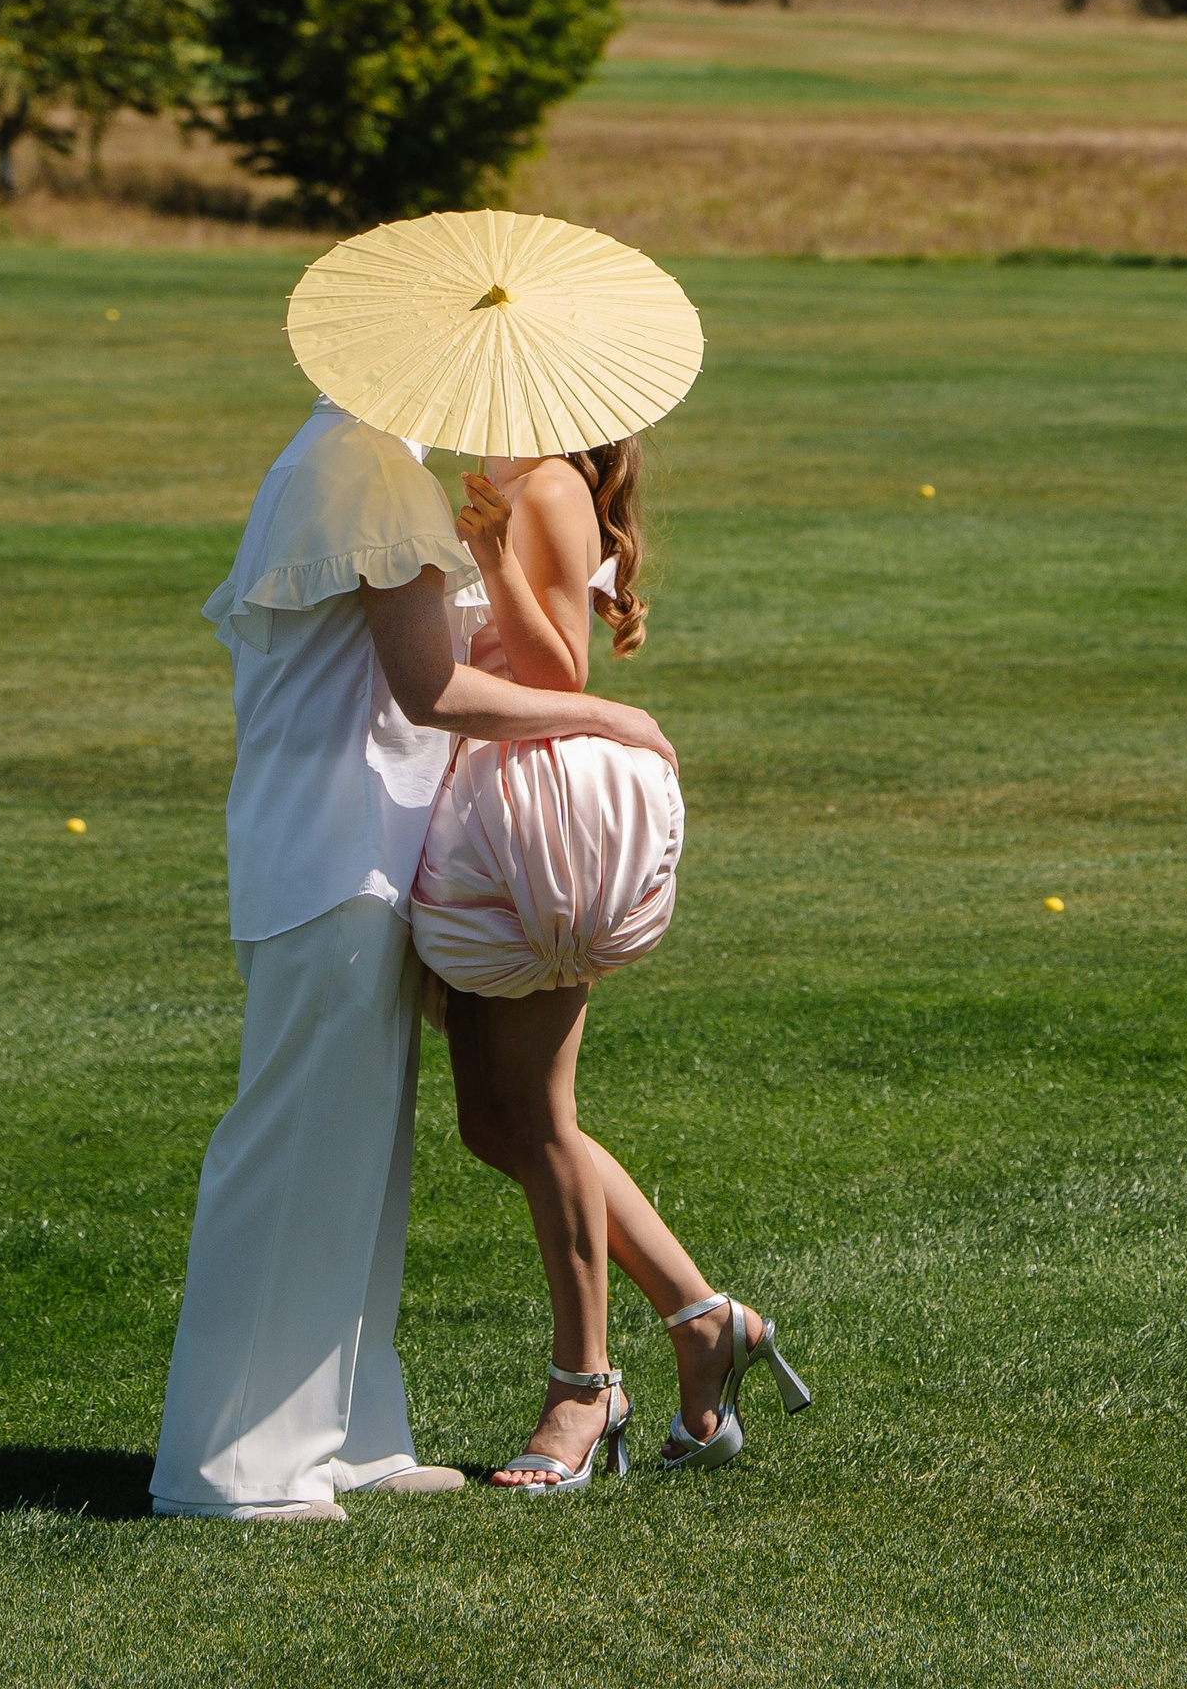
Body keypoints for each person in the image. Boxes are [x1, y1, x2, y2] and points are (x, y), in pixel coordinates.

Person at [150, 395, 681, 1522]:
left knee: (355, 1168)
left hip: (355, 854)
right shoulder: (372, 472)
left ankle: (349, 1436)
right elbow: (428, 687)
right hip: (336, 855)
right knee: (296, 1157)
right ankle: (236, 1468)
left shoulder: (350, 456)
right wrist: (607, 718)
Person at [411, 435, 810, 1494]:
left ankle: (584, 1386)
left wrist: (492, 554)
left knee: (534, 1120)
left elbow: (557, 671)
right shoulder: (528, 484)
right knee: (500, 1122)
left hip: (535, 837)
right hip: (492, 831)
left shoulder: (543, 486)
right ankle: (704, 1315)